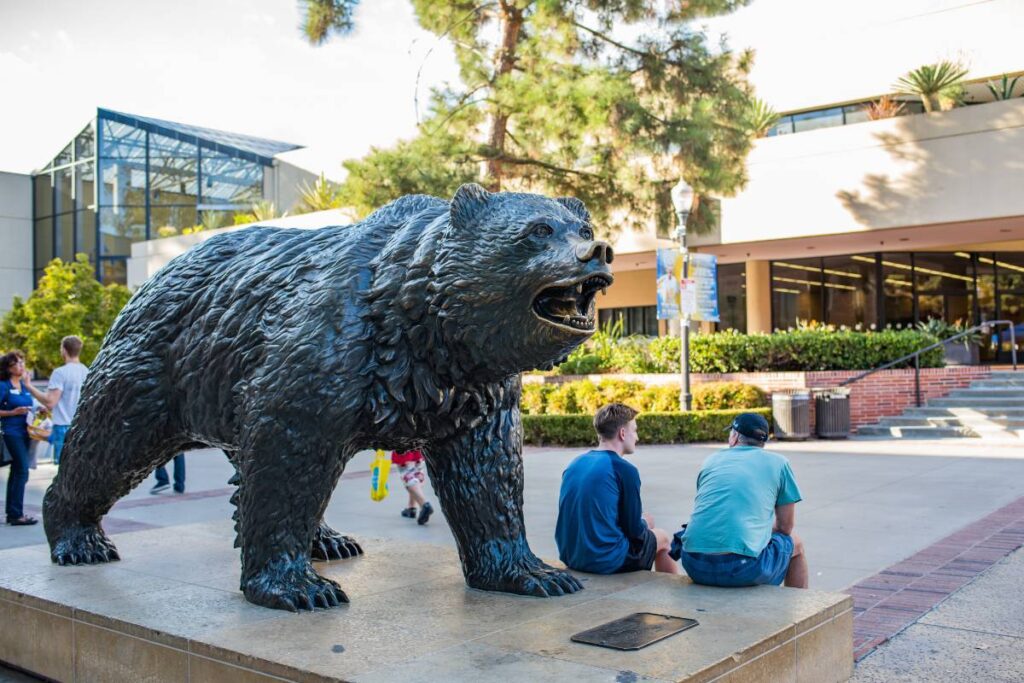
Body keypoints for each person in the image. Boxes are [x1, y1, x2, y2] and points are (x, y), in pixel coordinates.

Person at [674, 412, 808, 589]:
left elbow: (710, 510)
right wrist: (756, 529)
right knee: (795, 543)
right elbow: (785, 528)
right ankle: (799, 610)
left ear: (735, 436)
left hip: (693, 563)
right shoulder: (779, 463)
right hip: (742, 568)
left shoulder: (711, 460)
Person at [555, 403, 680, 575]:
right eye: (634, 430)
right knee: (663, 538)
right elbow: (634, 531)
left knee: (644, 527)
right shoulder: (624, 470)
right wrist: (644, 521)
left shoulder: (575, 463)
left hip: (571, 556)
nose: (637, 437)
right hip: (604, 560)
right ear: (622, 433)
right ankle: (673, 596)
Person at [22, 336, 88, 465]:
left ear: (63, 350)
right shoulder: (86, 371)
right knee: (78, 468)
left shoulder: (60, 373)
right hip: (82, 426)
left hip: (63, 427)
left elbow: (50, 402)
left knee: (63, 470)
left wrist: (29, 386)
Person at [0, 351, 39, 525]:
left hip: (26, 433)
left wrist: (38, 411)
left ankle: (13, 513)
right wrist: (12, 412)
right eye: (17, 363)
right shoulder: (3, 386)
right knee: (22, 470)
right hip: (11, 433)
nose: (21, 365)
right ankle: (16, 514)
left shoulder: (24, 385)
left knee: (17, 471)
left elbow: (30, 405)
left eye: (22, 362)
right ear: (8, 369)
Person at [391, 450, 433, 525]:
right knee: (417, 472)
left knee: (408, 475)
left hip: (402, 443)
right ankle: (411, 507)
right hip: (418, 442)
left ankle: (424, 504)